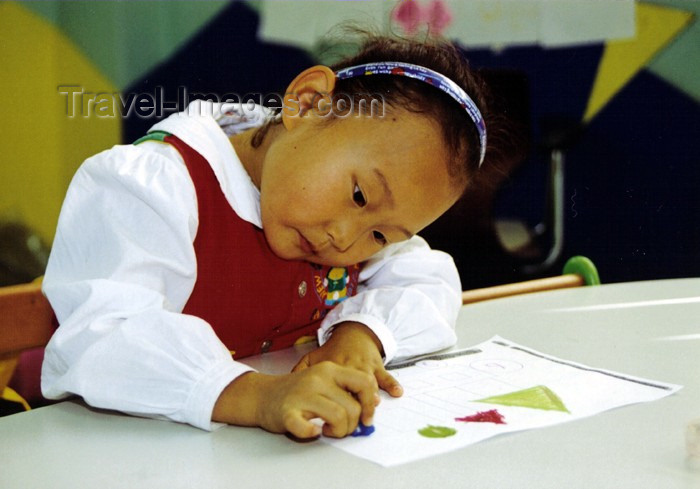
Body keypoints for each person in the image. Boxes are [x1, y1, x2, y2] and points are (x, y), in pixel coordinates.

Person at [41, 33, 502, 439]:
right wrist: (260, 397)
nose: (345, 240)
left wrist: (362, 332)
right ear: (305, 102)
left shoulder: (335, 220)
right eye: (360, 195)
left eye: (381, 236)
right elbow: (103, 334)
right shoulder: (154, 186)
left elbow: (428, 280)